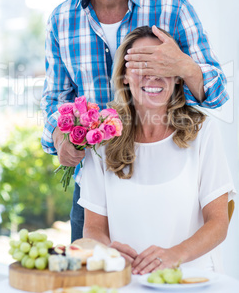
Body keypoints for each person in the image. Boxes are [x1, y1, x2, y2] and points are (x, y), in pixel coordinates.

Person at [40, 0, 229, 242]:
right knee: (95, 278)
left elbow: (217, 93)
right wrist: (59, 137)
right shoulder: (61, 20)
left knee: (166, 271)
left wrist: (183, 66)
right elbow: (55, 99)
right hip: (95, 187)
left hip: (165, 179)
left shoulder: (173, 8)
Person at [78, 26, 236, 274]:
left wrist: (175, 255)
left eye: (162, 66)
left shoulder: (203, 131)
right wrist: (109, 251)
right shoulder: (101, 139)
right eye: (141, 66)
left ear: (177, 77)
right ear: (124, 77)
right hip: (128, 283)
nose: (152, 76)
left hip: (191, 282)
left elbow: (218, 223)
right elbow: (93, 228)